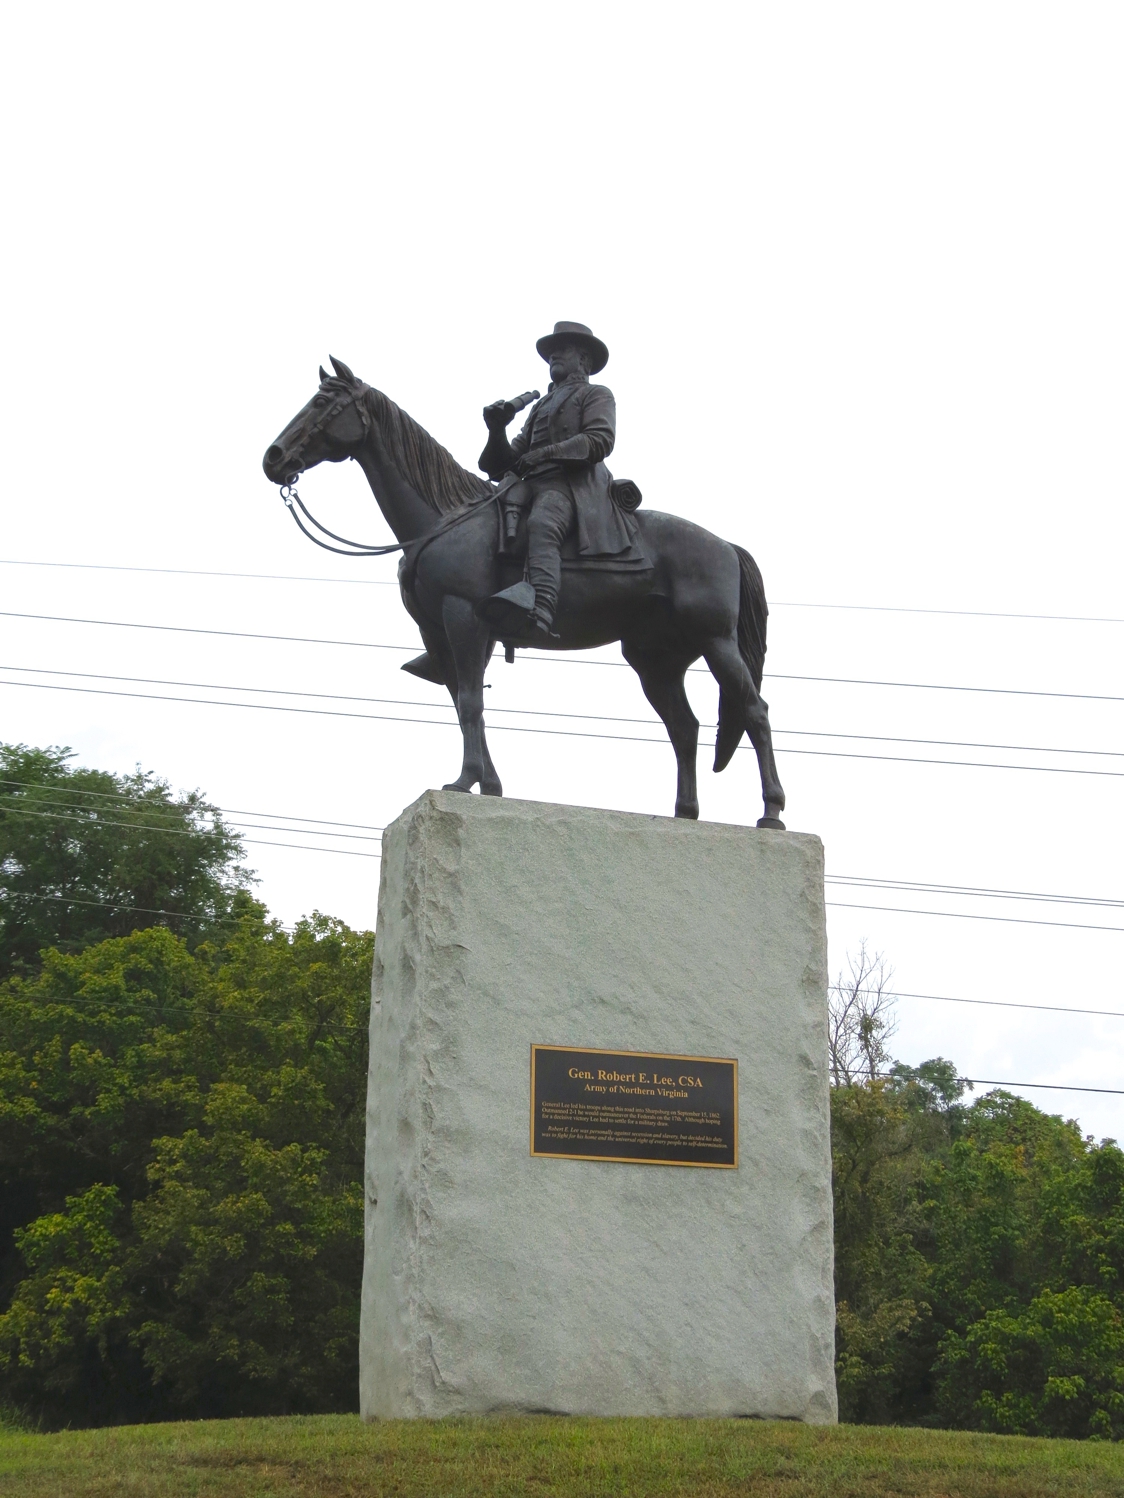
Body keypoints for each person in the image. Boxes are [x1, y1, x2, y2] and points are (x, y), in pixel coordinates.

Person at [478, 322, 635, 636]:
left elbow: (599, 440)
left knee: (543, 523)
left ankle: (541, 607)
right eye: (550, 353)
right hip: (527, 485)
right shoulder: (539, 407)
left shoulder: (596, 394)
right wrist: (497, 430)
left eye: (562, 350)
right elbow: (500, 465)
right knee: (476, 522)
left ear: (584, 360)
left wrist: (545, 454)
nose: (553, 357)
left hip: (570, 486)